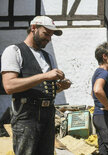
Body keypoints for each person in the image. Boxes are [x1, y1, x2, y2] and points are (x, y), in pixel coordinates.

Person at [1, 16, 71, 155]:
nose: (49, 39)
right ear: (33, 28)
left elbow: (42, 88)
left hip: (48, 113)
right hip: (26, 114)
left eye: (51, 35)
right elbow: (9, 86)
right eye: (46, 33)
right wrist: (45, 76)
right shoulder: (14, 51)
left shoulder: (48, 57)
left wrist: (59, 87)